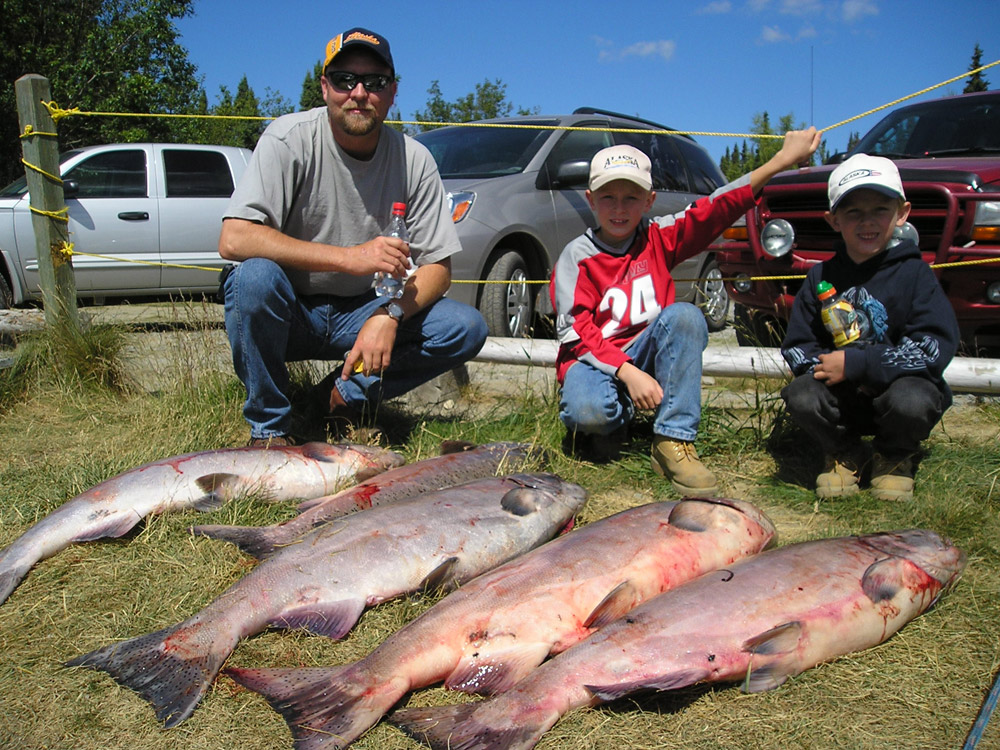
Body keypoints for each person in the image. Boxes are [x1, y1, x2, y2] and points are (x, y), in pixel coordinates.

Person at [219, 27, 488, 446]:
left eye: (375, 82)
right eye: (345, 79)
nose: (359, 92)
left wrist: (389, 314)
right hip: (292, 310)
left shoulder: (414, 159)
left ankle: (339, 396)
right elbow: (234, 239)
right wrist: (350, 258)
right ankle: (270, 428)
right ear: (325, 87)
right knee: (252, 280)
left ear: (393, 91)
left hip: (364, 311)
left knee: (464, 326)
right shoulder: (286, 139)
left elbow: (439, 268)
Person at [552, 129, 820, 496]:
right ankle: (615, 419)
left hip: (644, 353)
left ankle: (672, 439)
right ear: (590, 200)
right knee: (589, 413)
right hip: (597, 361)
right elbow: (576, 332)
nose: (619, 208)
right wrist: (627, 374)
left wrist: (779, 162)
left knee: (686, 316)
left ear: (649, 201)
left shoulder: (660, 237)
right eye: (607, 197)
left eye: (631, 197)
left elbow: (717, 207)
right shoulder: (576, 256)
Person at [780, 153, 959, 501]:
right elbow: (798, 346)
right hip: (842, 397)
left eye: (880, 209)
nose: (868, 222)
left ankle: (894, 455)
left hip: (897, 392)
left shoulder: (916, 274)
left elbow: (933, 347)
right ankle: (844, 452)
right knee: (800, 394)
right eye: (853, 212)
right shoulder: (819, 276)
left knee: (914, 398)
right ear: (833, 220)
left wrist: (862, 364)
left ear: (902, 213)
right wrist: (825, 368)